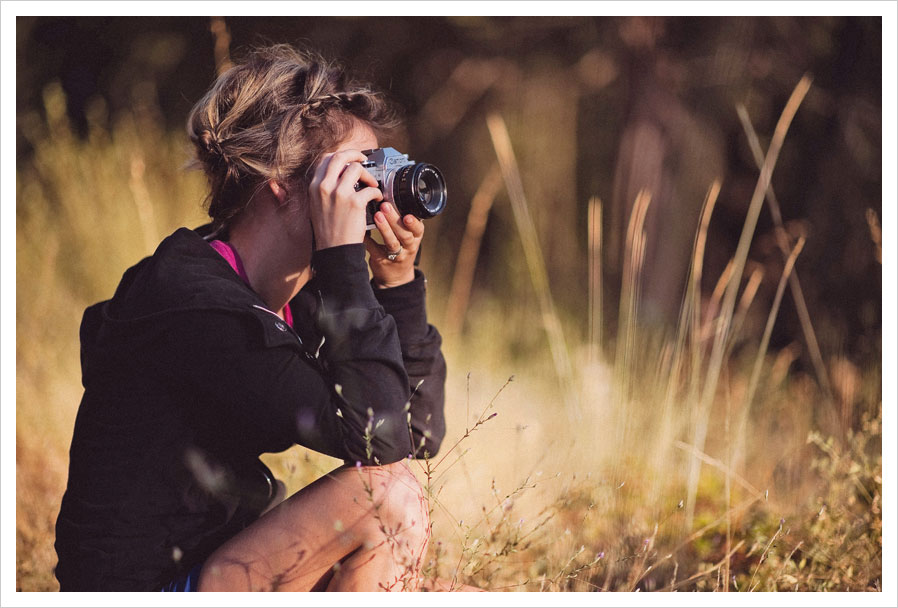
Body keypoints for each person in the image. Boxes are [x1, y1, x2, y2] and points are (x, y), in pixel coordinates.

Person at [54, 45, 447, 592]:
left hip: (222, 564)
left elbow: (417, 431)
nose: (374, 193)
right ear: (282, 181)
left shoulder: (293, 293)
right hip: (147, 588)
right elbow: (382, 448)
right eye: (355, 173)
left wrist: (397, 282)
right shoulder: (199, 308)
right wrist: (343, 263)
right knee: (387, 497)